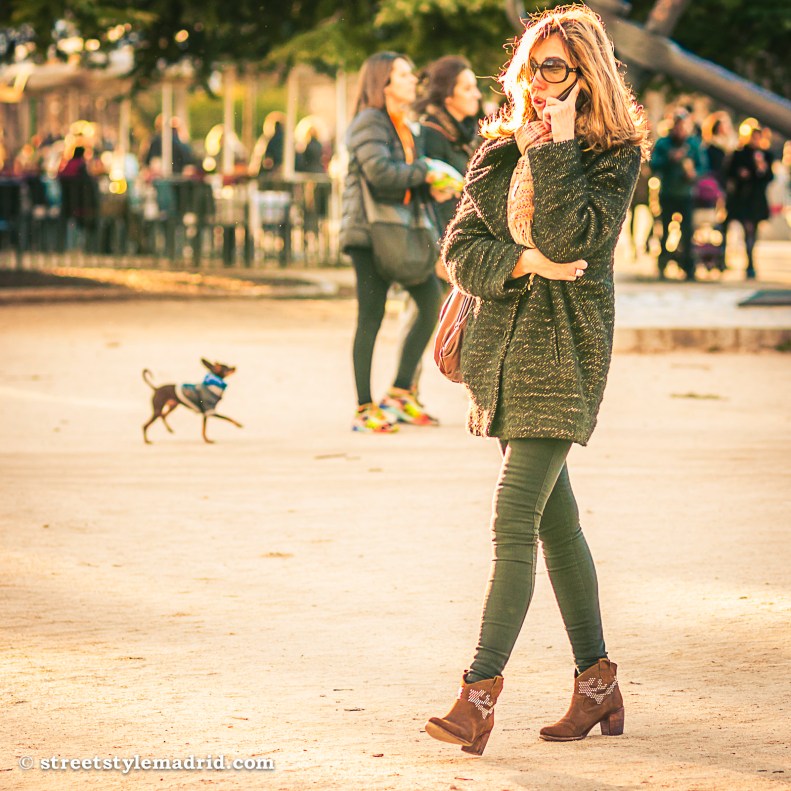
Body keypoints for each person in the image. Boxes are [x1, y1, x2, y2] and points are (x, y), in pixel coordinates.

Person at [424, 4, 649, 755]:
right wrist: (525, 263)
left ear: (586, 73)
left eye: (552, 67)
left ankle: (476, 696)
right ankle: (598, 685)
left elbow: (571, 236)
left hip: (563, 354)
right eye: (531, 67)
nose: (537, 81)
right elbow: (460, 250)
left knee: (513, 518)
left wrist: (555, 146)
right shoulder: (499, 150)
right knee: (557, 525)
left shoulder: (613, 155)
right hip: (499, 357)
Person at [340, 52, 445, 433]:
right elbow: (381, 173)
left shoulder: (403, 125)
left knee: (430, 300)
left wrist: (430, 186)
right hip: (369, 234)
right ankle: (364, 408)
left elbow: (403, 180)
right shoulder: (369, 121)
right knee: (371, 315)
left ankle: (399, 392)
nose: (412, 79)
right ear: (382, 82)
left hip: (399, 232)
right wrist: (425, 171)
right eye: (402, 74)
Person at [416, 55, 482, 238]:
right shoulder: (432, 134)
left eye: (475, 87)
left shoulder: (468, 133)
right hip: (450, 238)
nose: (477, 95)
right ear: (447, 96)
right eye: (467, 89)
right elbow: (441, 202)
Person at [649, 108, 707, 279]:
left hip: (687, 194)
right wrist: (669, 159)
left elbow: (703, 166)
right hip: (667, 193)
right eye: (677, 126)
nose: (680, 130)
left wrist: (694, 174)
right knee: (665, 230)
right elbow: (653, 164)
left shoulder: (693, 144)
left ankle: (688, 268)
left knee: (687, 232)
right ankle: (662, 264)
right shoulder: (663, 143)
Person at [725, 121, 774, 279]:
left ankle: (751, 260)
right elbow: (729, 172)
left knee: (754, 230)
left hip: (757, 198)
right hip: (742, 197)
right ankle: (749, 262)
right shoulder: (740, 154)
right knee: (747, 228)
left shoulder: (766, 155)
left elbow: (769, 177)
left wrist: (762, 169)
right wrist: (740, 174)